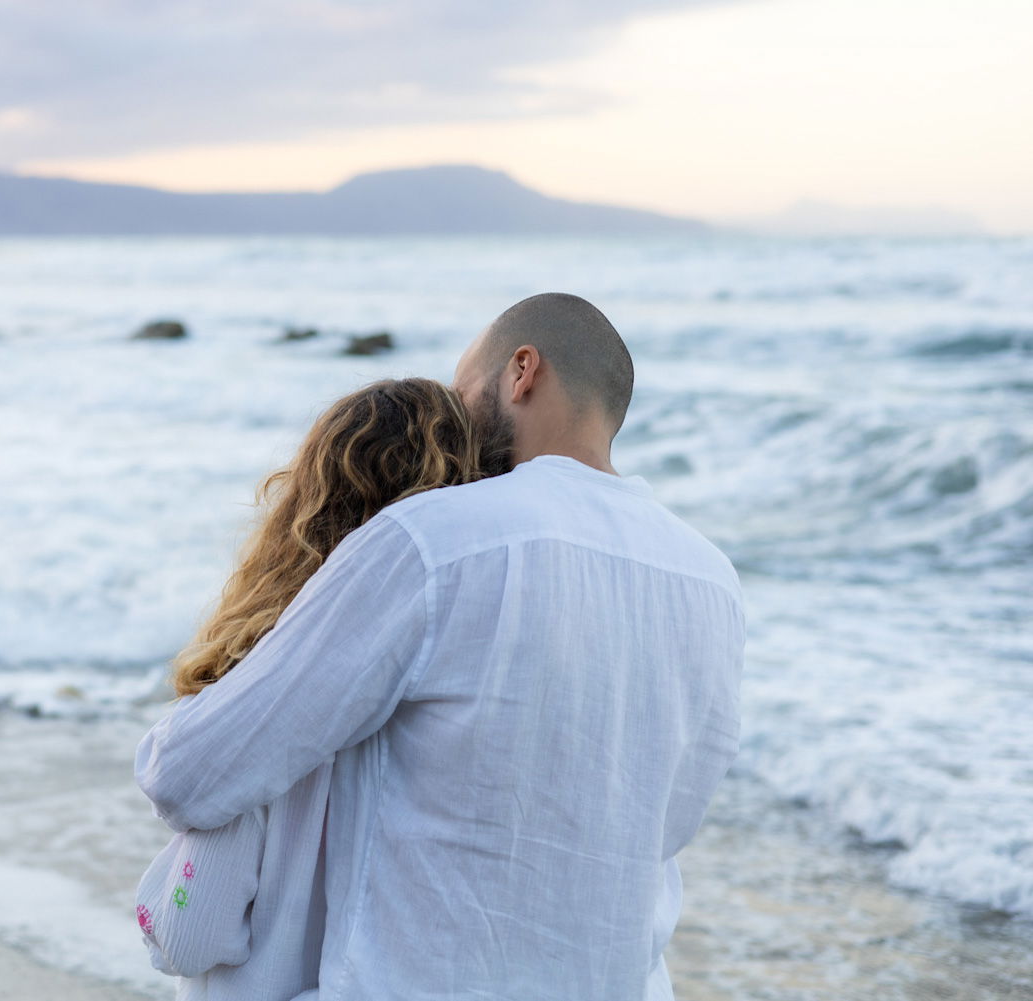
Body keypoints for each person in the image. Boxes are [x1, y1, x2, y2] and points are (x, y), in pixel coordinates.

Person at [135, 292, 746, 1000]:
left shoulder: (434, 539)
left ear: (522, 371)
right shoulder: (711, 579)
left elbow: (192, 772)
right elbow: (664, 823)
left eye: (464, 387)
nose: (456, 416)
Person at [134, 377, 485, 999]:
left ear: (310, 500)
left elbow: (191, 934)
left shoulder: (268, 689)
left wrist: (152, 909)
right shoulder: (463, 685)